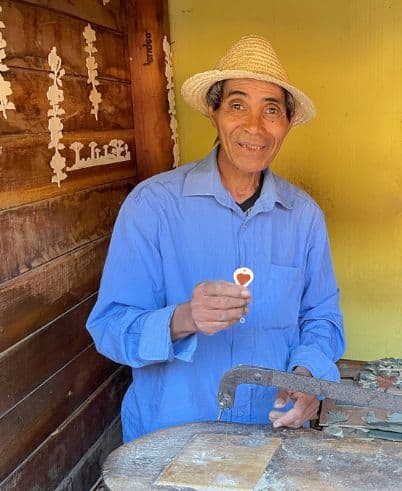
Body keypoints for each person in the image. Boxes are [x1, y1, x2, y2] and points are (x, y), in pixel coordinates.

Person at [87, 35, 346, 442]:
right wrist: (185, 317)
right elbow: (110, 329)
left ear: (288, 123)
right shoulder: (153, 207)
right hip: (170, 440)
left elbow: (322, 319)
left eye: (272, 110)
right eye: (237, 105)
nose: (254, 127)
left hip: (270, 435)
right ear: (214, 112)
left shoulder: (304, 218)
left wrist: (308, 378)